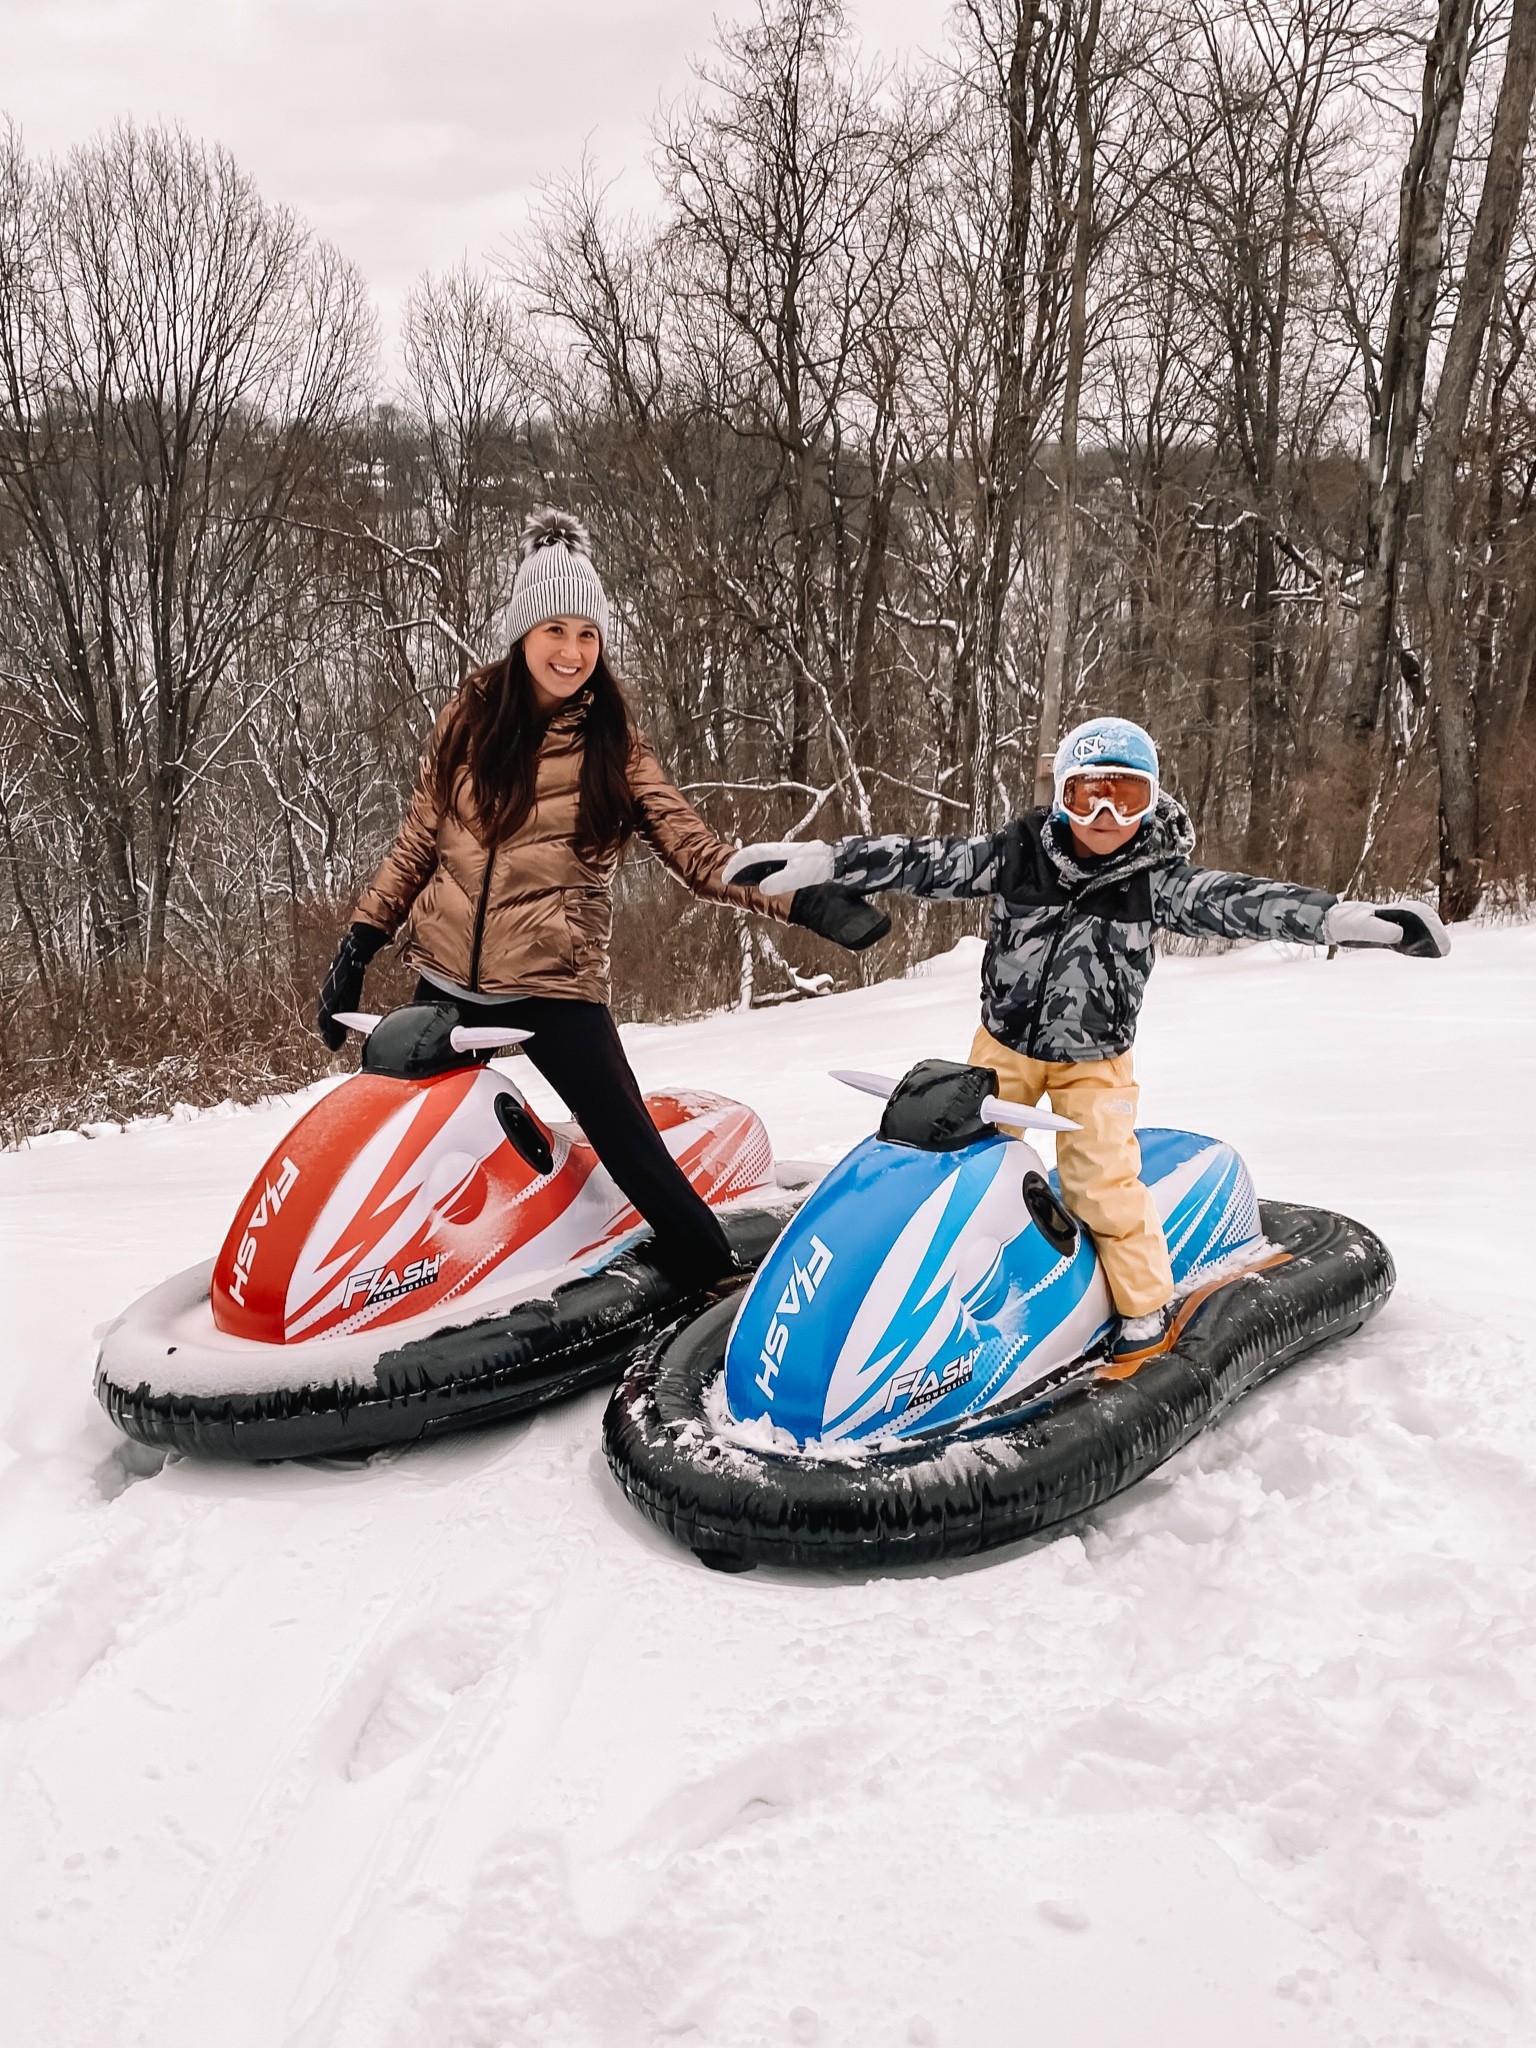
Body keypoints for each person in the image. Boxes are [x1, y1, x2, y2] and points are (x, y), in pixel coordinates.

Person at [724, 714, 1449, 1367]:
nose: (1105, 815)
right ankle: (933, 1291)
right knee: (956, 1161)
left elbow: (1244, 903)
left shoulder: (1156, 882)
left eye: (1126, 798)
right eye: (1087, 794)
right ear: (1063, 793)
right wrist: (828, 861)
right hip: (1003, 1047)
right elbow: (926, 861)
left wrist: (1342, 921)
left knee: (1104, 1184)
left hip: (1093, 1062)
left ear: (1152, 802)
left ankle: (1143, 1307)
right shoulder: (1018, 856)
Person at [315, 508, 883, 1288]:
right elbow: (418, 842)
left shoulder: (613, 744)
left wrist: (802, 896)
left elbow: (696, 854)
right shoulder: (466, 724)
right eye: (555, 629)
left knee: (630, 1146)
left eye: (588, 634)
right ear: (521, 632)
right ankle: (362, 1280)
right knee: (390, 1140)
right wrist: (360, 941)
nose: (573, 651)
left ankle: (712, 1279)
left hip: (552, 985)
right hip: (444, 983)